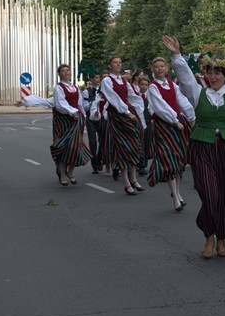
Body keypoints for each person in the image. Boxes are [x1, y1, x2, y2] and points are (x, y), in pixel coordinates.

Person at [163, 35, 225, 259]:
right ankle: (209, 236)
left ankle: (221, 238)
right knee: (210, 194)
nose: (213, 76)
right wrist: (177, 55)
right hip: (203, 146)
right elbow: (186, 78)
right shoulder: (199, 93)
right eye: (210, 73)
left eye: (218, 73)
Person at [146, 56, 195, 211]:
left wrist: (192, 117)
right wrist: (175, 120)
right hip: (165, 125)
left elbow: (182, 101)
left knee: (179, 159)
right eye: (157, 67)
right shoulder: (153, 87)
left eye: (162, 66)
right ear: (153, 70)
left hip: (178, 123)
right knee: (169, 160)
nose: (160, 69)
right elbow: (160, 107)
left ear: (166, 68)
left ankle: (177, 194)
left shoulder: (173, 85)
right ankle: (175, 196)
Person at [101, 55, 147, 195]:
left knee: (133, 146)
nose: (118, 64)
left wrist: (138, 110)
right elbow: (113, 99)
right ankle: (127, 183)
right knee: (123, 148)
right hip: (118, 116)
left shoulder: (123, 81)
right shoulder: (107, 81)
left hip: (128, 113)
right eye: (115, 62)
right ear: (110, 65)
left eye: (120, 62)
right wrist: (127, 112)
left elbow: (132, 96)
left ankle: (133, 180)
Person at [51, 64, 93, 185]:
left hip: (76, 119)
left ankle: (70, 171)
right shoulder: (58, 88)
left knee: (76, 146)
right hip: (64, 120)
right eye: (63, 71)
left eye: (67, 70)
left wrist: (82, 116)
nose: (66, 72)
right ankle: (63, 174)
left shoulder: (75, 87)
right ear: (59, 74)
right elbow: (60, 104)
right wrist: (72, 112)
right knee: (64, 147)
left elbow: (79, 104)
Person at [82, 74, 103, 173]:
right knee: (92, 141)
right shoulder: (87, 92)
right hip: (90, 118)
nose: (98, 79)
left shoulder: (102, 91)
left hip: (101, 118)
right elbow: (84, 106)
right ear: (91, 79)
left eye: (99, 77)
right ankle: (94, 164)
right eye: (96, 77)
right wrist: (92, 103)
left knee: (102, 141)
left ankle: (99, 159)